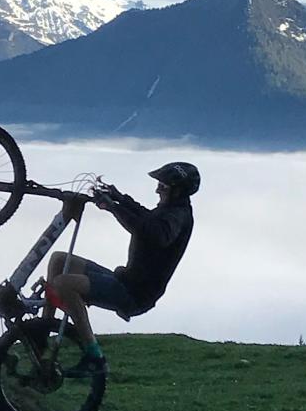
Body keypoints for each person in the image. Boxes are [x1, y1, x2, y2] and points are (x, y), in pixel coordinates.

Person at [45, 161, 199, 378]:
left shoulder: (177, 217)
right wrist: (119, 198)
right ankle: (43, 333)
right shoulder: (171, 210)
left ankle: (95, 357)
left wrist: (112, 207)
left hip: (134, 294)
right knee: (59, 259)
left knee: (63, 283)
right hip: (125, 281)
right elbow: (146, 217)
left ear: (178, 190)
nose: (157, 189)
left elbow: (153, 233)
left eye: (163, 186)